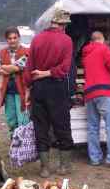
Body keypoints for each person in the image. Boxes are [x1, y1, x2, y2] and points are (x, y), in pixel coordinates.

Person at [24, 9, 74, 178]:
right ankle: (63, 166)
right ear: (63, 24)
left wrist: (28, 88)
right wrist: (49, 73)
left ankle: (44, 168)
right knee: (62, 126)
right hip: (56, 88)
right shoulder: (66, 40)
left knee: (41, 127)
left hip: (38, 88)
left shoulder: (37, 39)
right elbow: (65, 68)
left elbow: (29, 67)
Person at [82, 31, 110, 168]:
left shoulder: (86, 53)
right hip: (104, 92)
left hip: (89, 94)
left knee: (93, 128)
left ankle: (95, 158)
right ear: (102, 39)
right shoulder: (104, 49)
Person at [0, 27, 30, 136]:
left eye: (14, 38)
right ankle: (14, 141)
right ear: (6, 40)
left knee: (23, 118)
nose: (12, 40)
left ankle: (24, 144)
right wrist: (5, 68)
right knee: (11, 118)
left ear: (19, 38)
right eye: (9, 38)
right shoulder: (2, 52)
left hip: (22, 89)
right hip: (8, 90)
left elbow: (17, 67)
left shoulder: (26, 51)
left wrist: (4, 67)